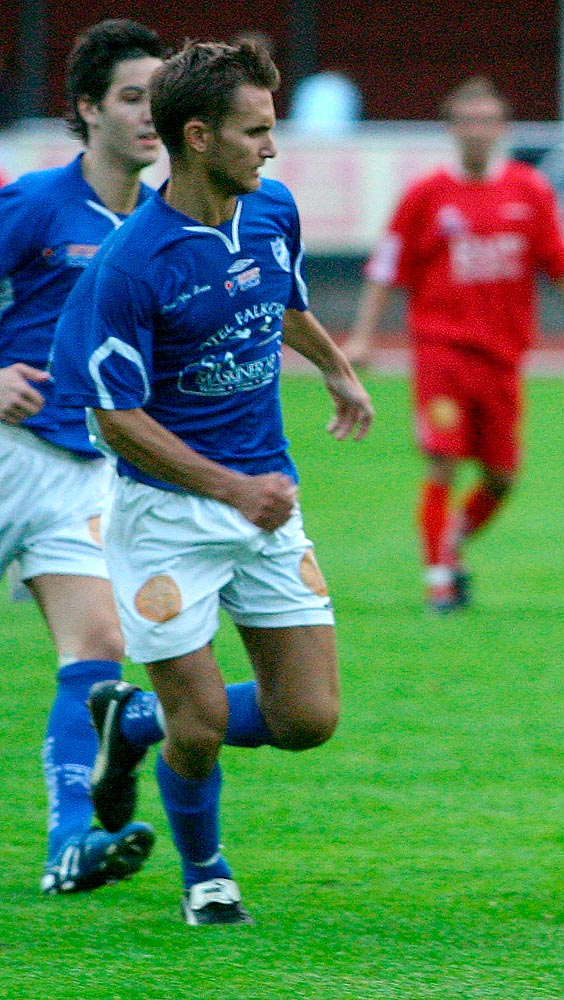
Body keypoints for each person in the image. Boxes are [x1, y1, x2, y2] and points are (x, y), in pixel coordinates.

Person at [49, 38, 373, 926]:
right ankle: (207, 872)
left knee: (308, 717)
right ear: (198, 136)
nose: (272, 147)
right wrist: (230, 488)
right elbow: (115, 418)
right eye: (255, 131)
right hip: (166, 521)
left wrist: (337, 369)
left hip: (264, 504)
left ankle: (137, 723)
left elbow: (283, 298)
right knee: (200, 724)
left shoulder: (271, 211)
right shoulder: (132, 264)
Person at [0, 18, 165, 897]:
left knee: (99, 647)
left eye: (159, 99)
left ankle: (70, 844)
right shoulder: (34, 204)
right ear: (87, 109)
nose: (150, 116)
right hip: (4, 450)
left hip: (81, 472)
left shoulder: (161, 225)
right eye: (132, 98)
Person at [345, 76, 564, 613]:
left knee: (502, 476)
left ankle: (452, 544)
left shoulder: (529, 190)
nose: (477, 131)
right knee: (442, 460)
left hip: (503, 357)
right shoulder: (425, 196)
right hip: (442, 349)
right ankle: (439, 580)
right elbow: (386, 265)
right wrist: (362, 336)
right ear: (450, 130)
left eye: (487, 121)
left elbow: (561, 260)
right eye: (467, 121)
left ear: (503, 128)